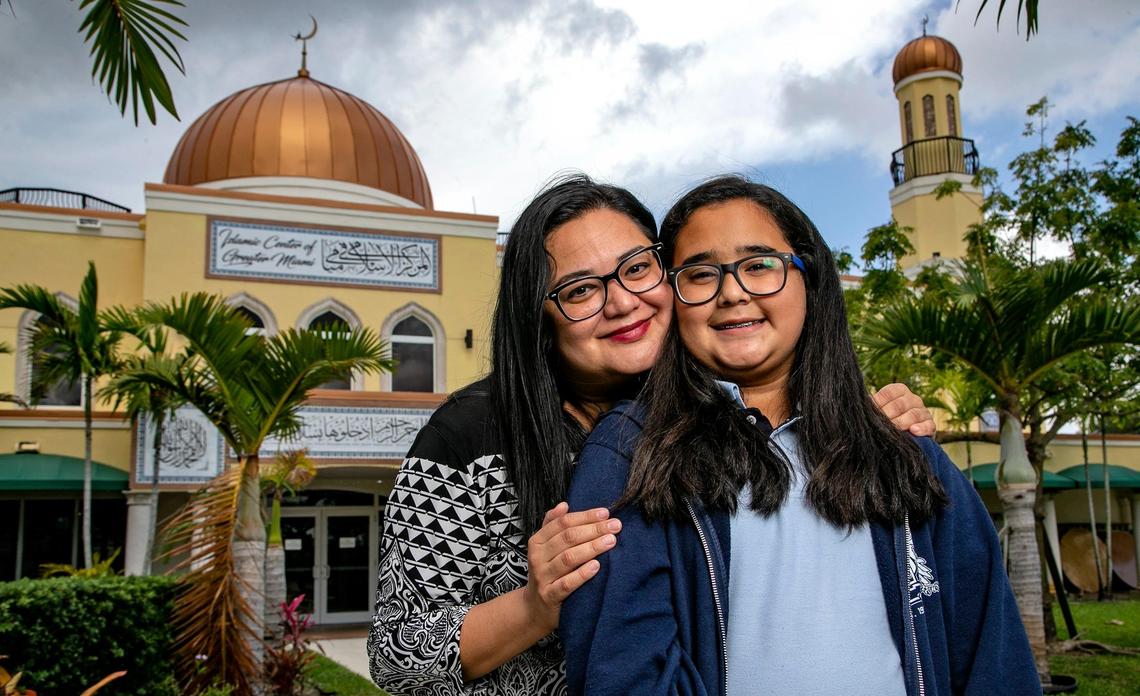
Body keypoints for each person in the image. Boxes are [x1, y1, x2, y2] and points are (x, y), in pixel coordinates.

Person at [367, 174, 937, 695]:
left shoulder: (714, 413)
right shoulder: (469, 436)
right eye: (580, 291)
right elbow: (395, 657)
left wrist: (863, 420)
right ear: (538, 315)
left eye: (637, 268)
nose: (621, 303)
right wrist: (534, 607)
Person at [559, 176, 1040, 696]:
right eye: (700, 274)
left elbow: (992, 655)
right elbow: (622, 672)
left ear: (808, 278)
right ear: (672, 300)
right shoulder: (629, 454)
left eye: (760, 264)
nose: (733, 292)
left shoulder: (904, 451)